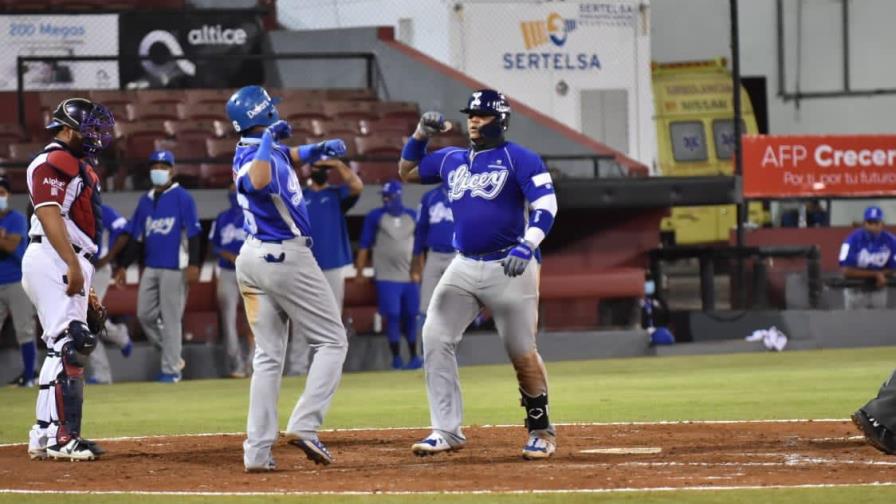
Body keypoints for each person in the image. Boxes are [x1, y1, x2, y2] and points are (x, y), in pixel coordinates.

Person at [398, 89, 559, 459]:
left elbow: (547, 205)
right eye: (471, 114)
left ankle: (541, 431)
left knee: (522, 353)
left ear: (500, 121)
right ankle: (446, 430)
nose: (473, 120)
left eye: (482, 115)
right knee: (435, 336)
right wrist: (420, 135)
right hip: (464, 263)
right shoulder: (451, 158)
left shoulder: (519, 157)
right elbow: (406, 171)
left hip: (511, 263)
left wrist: (528, 244)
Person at [226, 85, 349, 470]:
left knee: (267, 357)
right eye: (271, 109)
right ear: (262, 115)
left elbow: (289, 155)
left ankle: (257, 452)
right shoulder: (254, 154)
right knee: (332, 341)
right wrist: (268, 141)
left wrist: (319, 149)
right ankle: (305, 424)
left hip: (255, 259)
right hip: (284, 256)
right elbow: (258, 180)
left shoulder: (260, 147)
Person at [23, 97, 115, 460]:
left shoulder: (75, 163)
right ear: (67, 128)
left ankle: (44, 434)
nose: (95, 136)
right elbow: (49, 214)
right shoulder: (53, 161)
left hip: (62, 256)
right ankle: (64, 438)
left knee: (60, 345)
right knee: (72, 344)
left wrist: (82, 273)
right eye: (89, 129)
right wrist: (72, 264)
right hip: (54, 255)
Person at [114, 150, 202, 383]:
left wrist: (194, 264)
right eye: (155, 167)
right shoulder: (145, 200)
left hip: (175, 265)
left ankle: (171, 371)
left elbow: (194, 233)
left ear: (173, 171)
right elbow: (136, 237)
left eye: (164, 167)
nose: (159, 171)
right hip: (151, 265)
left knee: (171, 319)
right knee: (144, 314)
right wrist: (123, 265)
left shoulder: (183, 197)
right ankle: (173, 354)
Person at [286, 157, 362, 376]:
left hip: (332, 263)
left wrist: (338, 165)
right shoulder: (300, 196)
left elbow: (357, 186)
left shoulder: (337, 195)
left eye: (322, 168)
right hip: (304, 264)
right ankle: (298, 368)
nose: (318, 171)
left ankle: (330, 368)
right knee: (301, 317)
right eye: (315, 167)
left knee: (333, 317)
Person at [354, 180, 422, 370]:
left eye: (388, 196)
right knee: (393, 315)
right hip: (386, 275)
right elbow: (364, 245)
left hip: (409, 276)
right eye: (383, 197)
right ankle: (396, 358)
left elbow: (419, 247)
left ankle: (414, 357)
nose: (385, 200)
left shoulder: (412, 216)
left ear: (398, 196)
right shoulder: (375, 216)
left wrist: (418, 270)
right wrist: (360, 271)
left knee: (411, 315)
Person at [85, 203, 133, 384]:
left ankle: (102, 374)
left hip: (98, 270)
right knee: (85, 318)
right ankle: (119, 335)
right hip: (79, 270)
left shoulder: (102, 210)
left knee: (87, 318)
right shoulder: (68, 212)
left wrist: (107, 258)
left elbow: (124, 232)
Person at [209, 181, 249, 378]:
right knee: (229, 320)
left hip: (251, 272)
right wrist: (228, 255)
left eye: (237, 189)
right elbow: (214, 245)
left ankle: (254, 364)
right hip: (227, 272)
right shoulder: (222, 217)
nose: (233, 192)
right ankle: (237, 365)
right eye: (231, 189)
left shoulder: (255, 216)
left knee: (256, 320)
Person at [0, 176, 38, 387]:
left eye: (2, 193)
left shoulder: (17, 218)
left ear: (9, 195)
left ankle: (29, 376)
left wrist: (5, 240)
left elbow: (11, 246)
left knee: (24, 330)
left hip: (18, 280)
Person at [411, 184, 456, 333]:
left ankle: (451, 346)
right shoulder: (430, 196)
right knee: (425, 306)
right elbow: (421, 230)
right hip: (434, 255)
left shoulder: (467, 194)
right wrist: (416, 258)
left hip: (457, 256)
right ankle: (424, 346)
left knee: (456, 305)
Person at [838, 205, 896, 310]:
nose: (873, 226)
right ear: (864, 223)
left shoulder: (892, 241)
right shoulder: (850, 240)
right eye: (870, 222)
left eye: (876, 222)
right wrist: (876, 274)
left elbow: (893, 268)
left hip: (878, 290)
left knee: (878, 318)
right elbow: (845, 270)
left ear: (882, 224)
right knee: (854, 319)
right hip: (855, 290)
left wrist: (880, 274)